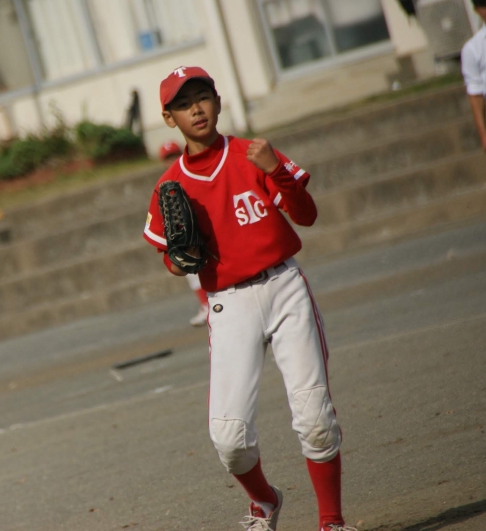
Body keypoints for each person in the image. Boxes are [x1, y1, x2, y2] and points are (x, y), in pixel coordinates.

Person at [142, 66, 354, 531]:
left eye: (203, 97)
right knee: (229, 439)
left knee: (315, 417)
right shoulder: (170, 185)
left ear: (218, 101)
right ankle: (264, 500)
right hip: (228, 304)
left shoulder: (252, 154)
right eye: (183, 104)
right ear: (169, 118)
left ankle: (331, 522)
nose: (196, 109)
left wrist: (276, 170)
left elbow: (307, 216)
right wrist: (180, 257)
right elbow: (173, 264)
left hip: (284, 287)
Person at [461, 0, 486, 277]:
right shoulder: (474, 48)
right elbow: (475, 93)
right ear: (477, 11)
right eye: (484, 6)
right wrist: (483, 133)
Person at [159, 140, 209, 326]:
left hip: (206, 228)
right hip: (189, 234)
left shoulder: (191, 173)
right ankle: (206, 306)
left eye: (174, 155)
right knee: (190, 268)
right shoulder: (166, 183)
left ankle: (210, 305)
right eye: (168, 157)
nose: (172, 160)